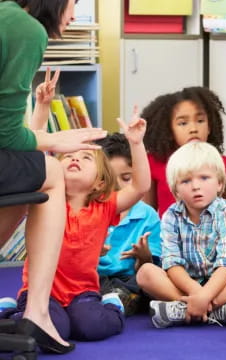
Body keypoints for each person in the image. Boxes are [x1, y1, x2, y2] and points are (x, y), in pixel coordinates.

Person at [0, 0, 107, 353]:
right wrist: (58, 140)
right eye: (74, 2)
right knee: (50, 172)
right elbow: (8, 137)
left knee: (32, 174)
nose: (75, 14)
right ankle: (38, 312)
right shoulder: (26, 28)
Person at [5, 106, 151, 343]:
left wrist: (136, 143)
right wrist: (42, 108)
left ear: (99, 182)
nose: (75, 158)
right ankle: (12, 310)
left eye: (86, 157)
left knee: (91, 327)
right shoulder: (45, 199)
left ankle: (113, 305)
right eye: (70, 155)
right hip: (41, 293)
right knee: (54, 330)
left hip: (82, 292)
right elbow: (33, 155)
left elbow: (140, 186)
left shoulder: (105, 206)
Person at [136, 142, 226, 328]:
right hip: (188, 285)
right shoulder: (170, 216)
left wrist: (205, 296)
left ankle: (195, 308)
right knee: (145, 273)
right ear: (176, 190)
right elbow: (172, 263)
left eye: (204, 178)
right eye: (186, 181)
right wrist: (196, 293)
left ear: (220, 183)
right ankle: (207, 309)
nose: (195, 186)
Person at [141, 86, 226, 217]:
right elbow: (148, 210)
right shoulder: (155, 162)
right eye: (183, 123)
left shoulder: (221, 163)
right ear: (169, 129)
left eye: (200, 121)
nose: (193, 128)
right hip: (169, 236)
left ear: (209, 127)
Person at [96, 133, 162, 316]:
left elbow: (149, 268)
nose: (117, 186)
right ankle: (106, 300)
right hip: (95, 276)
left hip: (129, 278)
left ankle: (119, 299)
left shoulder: (148, 215)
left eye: (126, 178)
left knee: (149, 278)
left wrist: (144, 256)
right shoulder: (89, 210)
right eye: (107, 178)